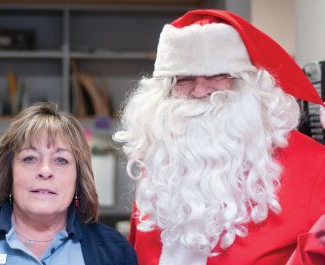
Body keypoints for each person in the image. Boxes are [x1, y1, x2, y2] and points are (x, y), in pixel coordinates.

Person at [114, 9, 325, 265]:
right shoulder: (161, 166)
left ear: (249, 83)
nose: (200, 90)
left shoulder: (315, 167)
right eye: (184, 79)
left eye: (217, 75)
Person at [0, 102, 138, 265]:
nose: (45, 171)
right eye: (29, 158)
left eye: (61, 160)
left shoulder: (116, 252)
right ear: (9, 174)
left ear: (78, 179)